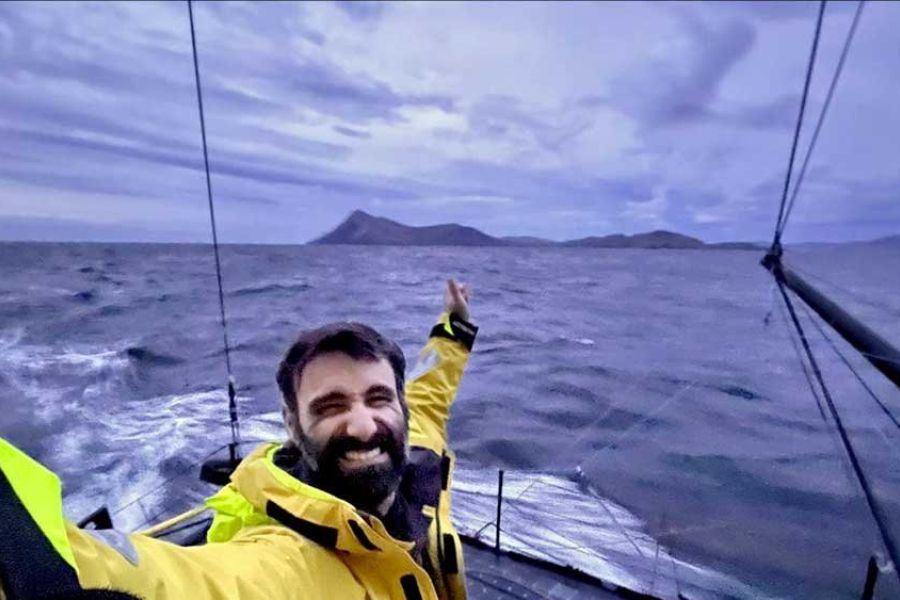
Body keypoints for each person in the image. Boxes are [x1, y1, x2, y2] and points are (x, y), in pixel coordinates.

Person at [0, 278, 478, 600]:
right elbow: (178, 582)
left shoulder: (415, 450)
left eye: (378, 398)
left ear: (400, 406)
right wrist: (24, 556)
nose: (362, 425)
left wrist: (453, 329)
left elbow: (431, 391)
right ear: (292, 425)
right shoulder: (288, 560)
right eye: (330, 406)